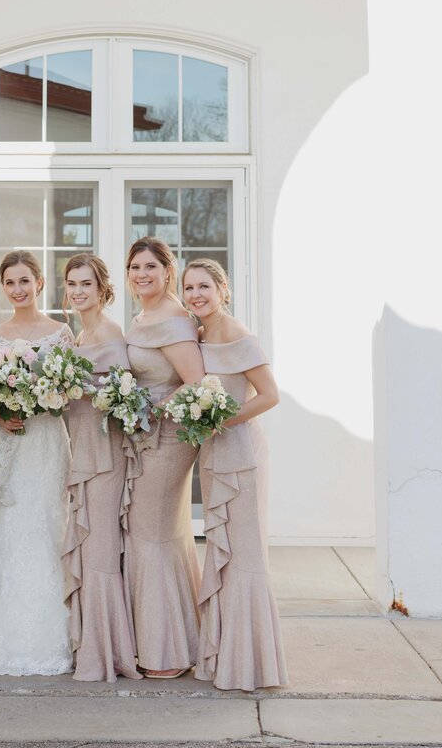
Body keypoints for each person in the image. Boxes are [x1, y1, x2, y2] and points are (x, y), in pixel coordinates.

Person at [0, 250, 74, 676]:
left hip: (44, 443)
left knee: (45, 525)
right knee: (8, 530)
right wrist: (1, 412)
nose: (19, 289)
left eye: (26, 281)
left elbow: (70, 392)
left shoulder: (61, 334)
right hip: (8, 445)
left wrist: (46, 399)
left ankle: (52, 637)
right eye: (11, 282)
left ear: (39, 283)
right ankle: (2, 634)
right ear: (3, 287)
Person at [182, 258, 287, 691]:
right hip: (212, 453)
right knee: (221, 555)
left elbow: (270, 395)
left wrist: (223, 420)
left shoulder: (242, 337)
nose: (196, 295)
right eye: (188, 288)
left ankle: (251, 665)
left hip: (242, 454)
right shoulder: (197, 337)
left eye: (204, 286)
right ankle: (223, 655)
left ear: (223, 289)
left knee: (245, 557)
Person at [123, 236, 205, 679]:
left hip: (170, 436)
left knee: (149, 532)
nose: (141, 274)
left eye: (150, 267)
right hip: (144, 434)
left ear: (168, 271)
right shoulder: (142, 317)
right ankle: (177, 640)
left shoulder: (174, 318)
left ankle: (165, 653)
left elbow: (196, 382)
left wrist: (154, 409)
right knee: (160, 532)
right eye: (135, 267)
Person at [62, 253, 140, 682]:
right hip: (82, 448)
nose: (77, 291)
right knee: (91, 547)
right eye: (72, 284)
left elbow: (123, 397)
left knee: (101, 549)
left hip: (105, 453)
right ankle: (93, 645)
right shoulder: (79, 334)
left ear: (102, 289)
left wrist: (82, 393)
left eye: (85, 284)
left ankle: (106, 653)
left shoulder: (109, 332)